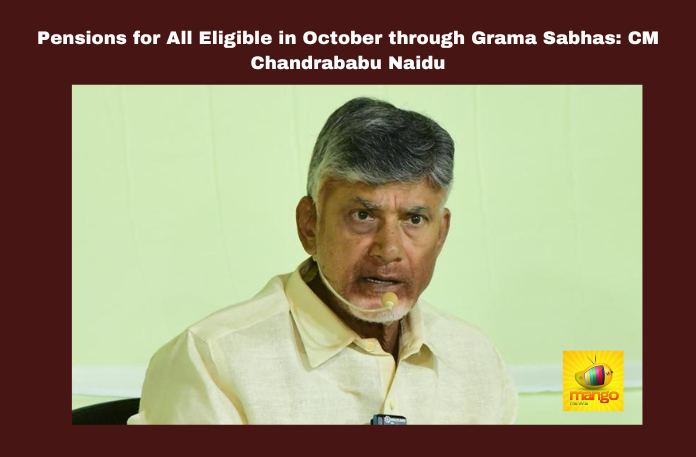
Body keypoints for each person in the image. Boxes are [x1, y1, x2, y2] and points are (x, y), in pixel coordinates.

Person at [127, 97, 518, 425]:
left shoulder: (477, 359)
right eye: (363, 216)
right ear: (309, 224)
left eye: (414, 220)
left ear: (441, 234)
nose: (388, 249)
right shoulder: (213, 360)